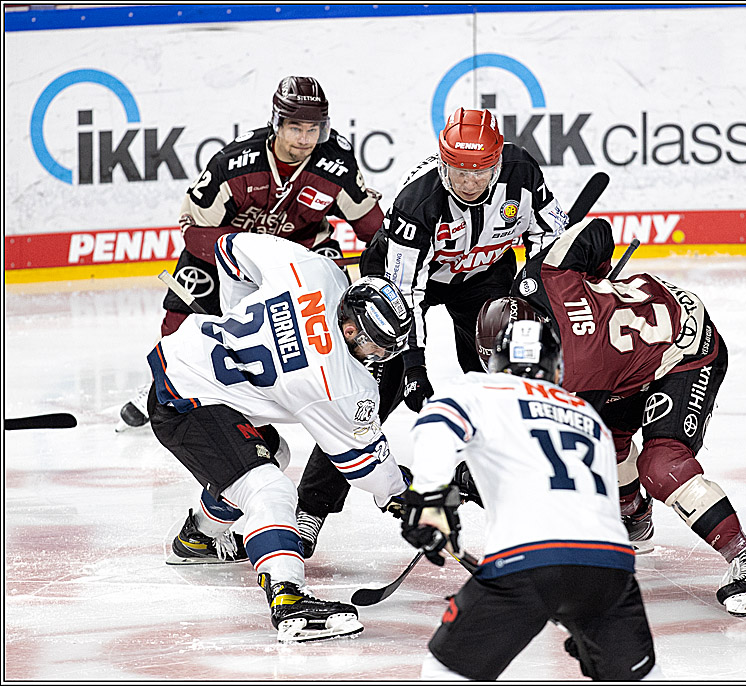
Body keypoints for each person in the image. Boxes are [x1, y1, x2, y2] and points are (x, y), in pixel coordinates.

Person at [475, 217, 746, 617]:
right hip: (629, 352)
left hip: (688, 347)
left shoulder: (579, 376)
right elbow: (596, 231)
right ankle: (632, 515)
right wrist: (596, 284)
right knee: (610, 437)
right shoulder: (542, 276)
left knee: (662, 466)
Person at [292, 107, 570, 557]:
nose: (469, 182)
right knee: (371, 393)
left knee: (509, 378)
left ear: (498, 163)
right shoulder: (418, 202)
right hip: (397, 286)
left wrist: (535, 283)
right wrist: (414, 366)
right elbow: (406, 291)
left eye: (480, 171)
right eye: (459, 171)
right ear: (443, 164)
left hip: (484, 276)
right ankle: (311, 508)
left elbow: (550, 237)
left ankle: (507, 481)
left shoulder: (522, 171)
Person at [147, 232, 412, 642]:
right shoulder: (340, 383)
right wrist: (399, 491)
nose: (378, 358)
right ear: (349, 328)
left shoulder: (316, 271)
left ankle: (198, 538)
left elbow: (229, 249)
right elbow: (365, 468)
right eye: (374, 347)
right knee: (268, 488)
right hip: (187, 399)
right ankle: (288, 596)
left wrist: (236, 314)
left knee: (271, 452)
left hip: (190, 363)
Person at [118, 75, 385, 432]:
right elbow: (193, 231)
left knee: (338, 300)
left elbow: (373, 228)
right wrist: (244, 252)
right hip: (229, 253)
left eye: (313, 129)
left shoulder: (336, 162)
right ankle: (160, 382)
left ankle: (345, 382)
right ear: (277, 123)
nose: (305, 139)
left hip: (302, 252)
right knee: (182, 309)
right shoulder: (235, 163)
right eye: (295, 128)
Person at [400, 318, 662, 680]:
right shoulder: (587, 416)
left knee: (445, 669)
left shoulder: (482, 388)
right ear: (556, 367)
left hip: (527, 559)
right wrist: (574, 607)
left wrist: (429, 498)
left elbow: (437, 423)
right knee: (638, 676)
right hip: (609, 567)